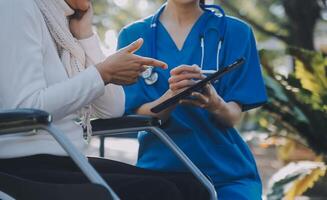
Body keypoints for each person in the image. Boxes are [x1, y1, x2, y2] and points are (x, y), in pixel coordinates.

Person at [0, 0, 209, 199]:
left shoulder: (62, 22)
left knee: (193, 187)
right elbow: (26, 107)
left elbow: (112, 109)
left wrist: (85, 36)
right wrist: (102, 73)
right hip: (22, 164)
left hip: (68, 159)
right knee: (160, 192)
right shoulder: (17, 7)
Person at [118, 0, 268, 199]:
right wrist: (171, 97)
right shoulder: (133, 36)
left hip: (225, 173)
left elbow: (233, 115)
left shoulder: (237, 32)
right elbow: (137, 115)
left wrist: (215, 103)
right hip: (159, 173)